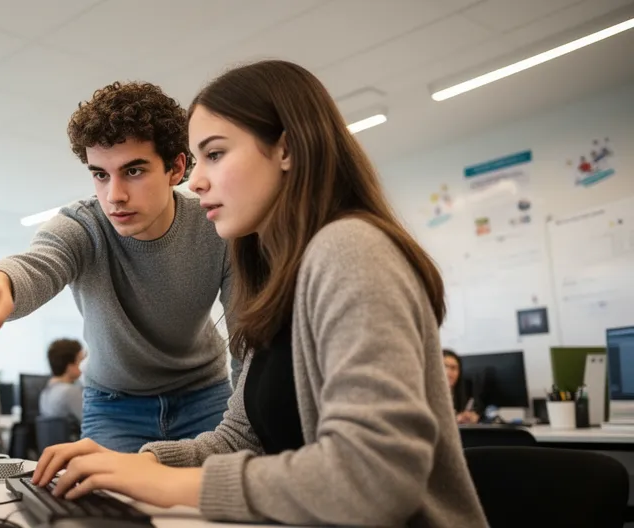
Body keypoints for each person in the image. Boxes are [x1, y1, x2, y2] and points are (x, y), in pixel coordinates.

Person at [31, 60, 486, 527]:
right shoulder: (279, 273)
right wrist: (143, 463)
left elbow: (375, 477)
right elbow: (240, 439)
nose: (196, 181)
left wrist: (169, 485)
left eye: (215, 154)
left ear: (285, 150)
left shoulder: (349, 248)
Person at [0, 82, 237, 453]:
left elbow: (249, 342)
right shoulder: (82, 225)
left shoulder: (217, 226)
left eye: (134, 171)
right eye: (100, 174)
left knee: (217, 488)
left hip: (205, 394)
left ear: (176, 168)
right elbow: (39, 263)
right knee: (105, 492)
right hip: (114, 405)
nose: (114, 196)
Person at [39, 338, 85, 423]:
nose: (84, 365)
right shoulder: (70, 392)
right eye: (81, 360)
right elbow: (93, 423)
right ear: (70, 366)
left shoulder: (45, 392)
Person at [443, 349, 480, 424]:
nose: (448, 373)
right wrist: (455, 420)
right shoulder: (425, 394)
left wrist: (471, 417)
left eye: (453, 368)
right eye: (444, 367)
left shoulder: (464, 393)